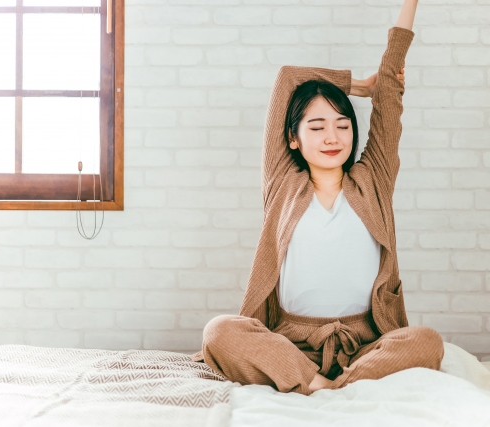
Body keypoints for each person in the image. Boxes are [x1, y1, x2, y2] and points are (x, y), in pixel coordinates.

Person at [190, 0, 444, 395]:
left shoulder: (372, 178)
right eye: (318, 126)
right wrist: (359, 86)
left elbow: (390, 95)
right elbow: (288, 78)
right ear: (293, 138)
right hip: (290, 342)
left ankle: (337, 383)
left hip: (364, 343)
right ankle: (314, 380)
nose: (332, 137)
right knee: (219, 332)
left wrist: (408, 9)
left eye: (343, 125)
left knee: (426, 341)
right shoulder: (282, 182)